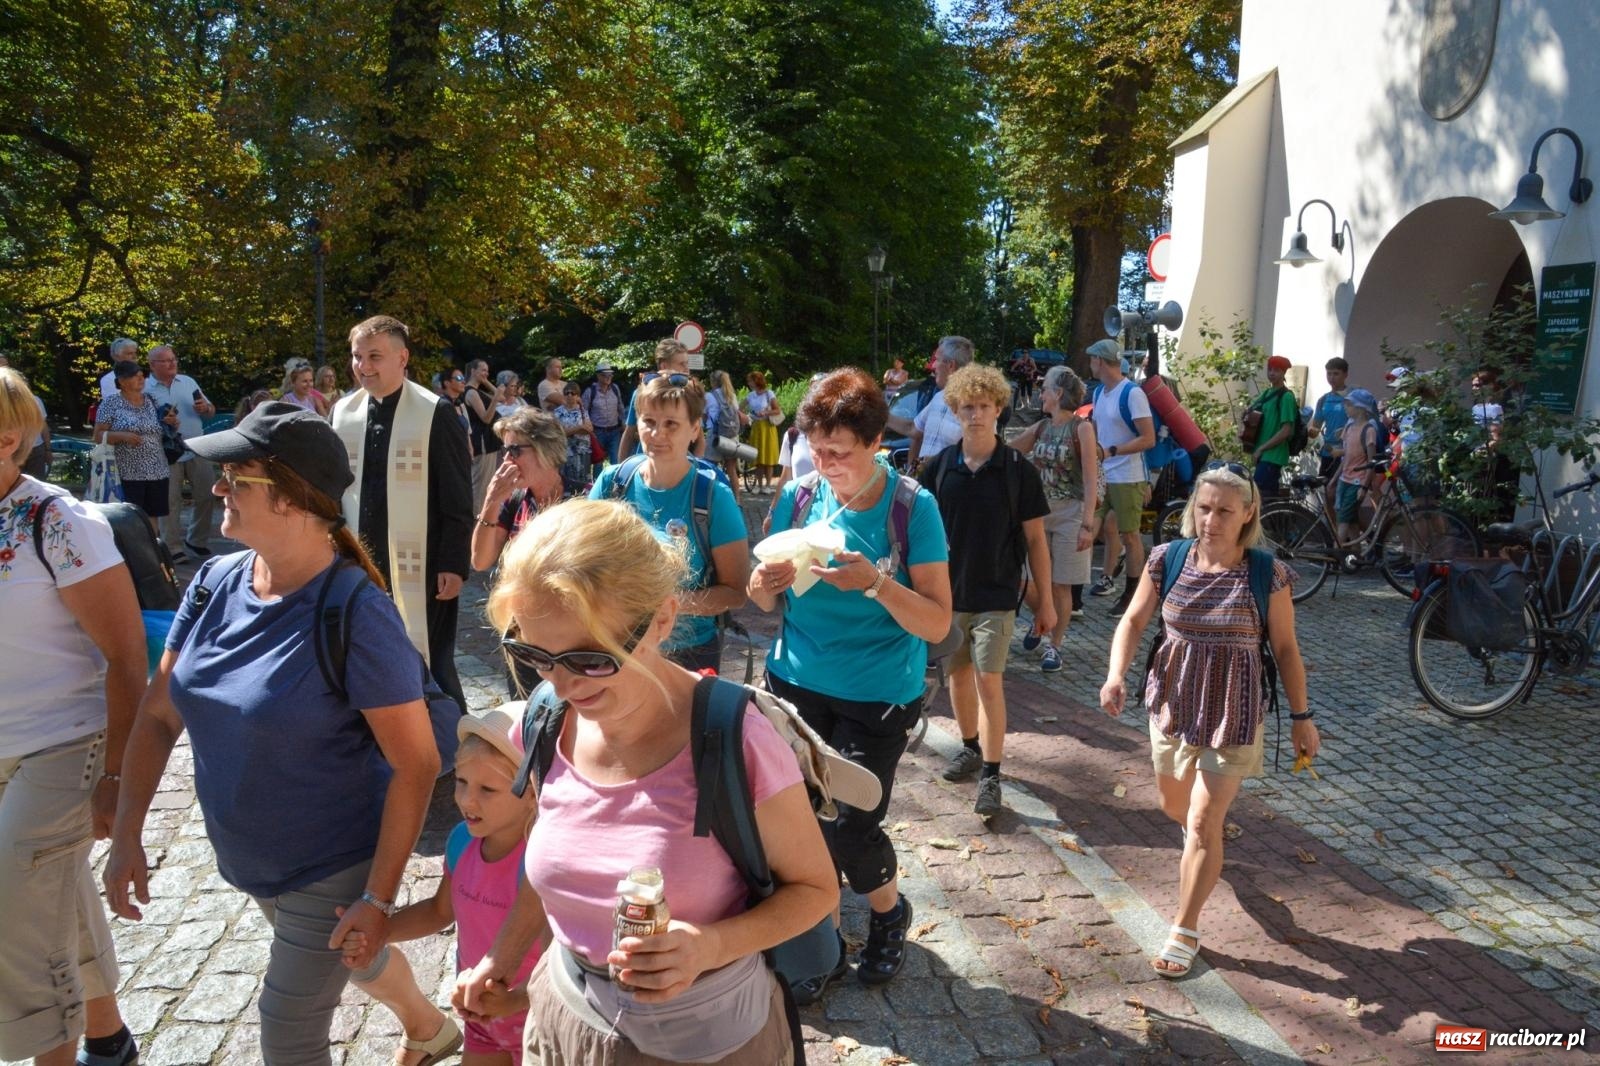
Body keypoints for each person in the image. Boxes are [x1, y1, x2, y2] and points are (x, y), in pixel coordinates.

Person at [103, 402, 449, 1066]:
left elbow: (418, 764)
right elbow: (156, 716)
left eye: (236, 475)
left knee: (288, 1035)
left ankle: (423, 1018)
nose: (218, 487)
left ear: (290, 497)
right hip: (251, 859)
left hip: (331, 862)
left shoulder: (356, 613)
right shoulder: (212, 582)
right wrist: (125, 833)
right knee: (351, 959)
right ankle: (428, 1026)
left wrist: (377, 898)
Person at [459, 499, 837, 1064]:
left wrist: (710, 945)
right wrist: (502, 957)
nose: (562, 685)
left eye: (590, 657)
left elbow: (817, 893)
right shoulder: (548, 719)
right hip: (565, 1021)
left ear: (662, 618)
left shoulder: (736, 740)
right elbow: (561, 863)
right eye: (536, 655)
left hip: (706, 1041)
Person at [749, 367, 951, 1002]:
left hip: (877, 692)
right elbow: (760, 596)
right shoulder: (800, 497)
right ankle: (824, 942)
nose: (824, 461)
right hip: (795, 680)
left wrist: (874, 582)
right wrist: (764, 585)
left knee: (852, 826)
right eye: (815, 447)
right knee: (796, 820)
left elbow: (939, 620)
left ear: (874, 444)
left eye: (839, 451)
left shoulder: (912, 507)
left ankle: (889, 913)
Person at [1099, 462, 1319, 980]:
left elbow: (1286, 650)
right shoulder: (1167, 559)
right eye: (1203, 507)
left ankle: (1184, 927)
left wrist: (1304, 716)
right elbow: (1132, 620)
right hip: (1173, 706)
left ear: (1247, 514)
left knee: (1202, 821)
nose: (1211, 519)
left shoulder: (1267, 574)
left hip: (1236, 712)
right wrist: (1115, 675)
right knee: (1174, 807)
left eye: (1224, 510)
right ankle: (1206, 848)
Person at [0, 368, 144, 1066]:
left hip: (63, 743)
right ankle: (108, 1038)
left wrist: (117, 776)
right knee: (50, 883)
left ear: (7, 439)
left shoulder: (55, 521)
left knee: (13, 903)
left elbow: (125, 656)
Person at [356, 707, 539, 1066]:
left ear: (533, 793)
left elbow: (564, 963)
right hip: (482, 1019)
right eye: (461, 782)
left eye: (487, 789)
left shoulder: (539, 867)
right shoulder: (460, 842)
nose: (467, 800)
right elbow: (440, 911)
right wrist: (378, 932)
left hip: (538, 1020)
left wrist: (516, 1000)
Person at [920, 365, 1052, 816]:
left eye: (984, 406)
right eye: (967, 407)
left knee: (988, 680)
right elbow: (918, 537)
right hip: (948, 597)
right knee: (956, 676)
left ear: (999, 408)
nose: (976, 415)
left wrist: (1047, 603)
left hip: (997, 595)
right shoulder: (938, 470)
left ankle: (992, 773)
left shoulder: (1018, 471)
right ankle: (971, 746)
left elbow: (1036, 541)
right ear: (955, 411)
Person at [331, 316, 474, 711]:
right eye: (358, 357)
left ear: (402, 357)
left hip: (424, 563)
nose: (364, 366)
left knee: (432, 658)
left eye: (375, 356)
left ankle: (452, 736)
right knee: (366, 649)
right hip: (361, 560)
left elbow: (458, 495)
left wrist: (453, 563)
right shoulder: (344, 412)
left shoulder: (435, 412)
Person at [590, 376, 748, 672]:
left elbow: (735, 593)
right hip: (618, 645)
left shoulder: (713, 497)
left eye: (671, 424)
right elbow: (586, 559)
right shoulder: (613, 483)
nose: (657, 433)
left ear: (694, 428)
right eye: (648, 421)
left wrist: (668, 602)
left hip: (688, 652)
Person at [471, 409, 568, 696]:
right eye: (505, 450)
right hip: (523, 631)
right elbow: (479, 560)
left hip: (568, 634)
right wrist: (491, 501)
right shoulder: (515, 501)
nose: (506, 461)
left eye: (515, 450)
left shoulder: (583, 496)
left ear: (545, 450)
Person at [1012, 365, 1099, 671]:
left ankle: (1055, 645)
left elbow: (1091, 480)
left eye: (1045, 387)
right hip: (1037, 513)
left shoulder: (1082, 429)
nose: (1041, 392)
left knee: (1061, 585)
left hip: (1070, 515)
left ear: (1059, 394)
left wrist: (1088, 525)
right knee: (1024, 578)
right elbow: (1008, 451)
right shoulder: (1041, 427)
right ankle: (1041, 619)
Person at [1086, 339, 1155, 615]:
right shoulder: (1099, 392)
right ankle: (1076, 592)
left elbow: (1148, 439)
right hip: (1104, 474)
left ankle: (1132, 593)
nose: (1090, 364)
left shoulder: (1132, 393)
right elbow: (1096, 430)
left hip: (1128, 475)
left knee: (1130, 535)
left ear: (1100, 361)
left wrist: (1112, 451)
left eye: (1092, 359)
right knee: (1090, 527)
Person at [145, 344, 219, 559]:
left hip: (196, 446)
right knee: (170, 500)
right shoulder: (145, 389)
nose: (172, 363)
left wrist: (205, 409)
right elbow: (140, 421)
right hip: (165, 451)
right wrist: (161, 421)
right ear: (152, 365)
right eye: (166, 360)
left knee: (207, 493)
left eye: (174, 359)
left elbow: (210, 410)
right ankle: (172, 547)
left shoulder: (188, 382)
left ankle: (196, 540)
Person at [93, 360, 171, 532]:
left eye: (142, 376)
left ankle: (153, 552)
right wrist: (122, 436)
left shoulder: (151, 400)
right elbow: (98, 436)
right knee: (132, 517)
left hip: (157, 469)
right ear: (121, 381)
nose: (141, 379)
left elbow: (163, 428)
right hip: (128, 472)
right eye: (135, 376)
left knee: (153, 515)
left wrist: (172, 423)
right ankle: (134, 554)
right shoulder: (111, 403)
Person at [905, 336, 973, 470]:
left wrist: (936, 463)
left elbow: (981, 458)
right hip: (925, 486)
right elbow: (913, 429)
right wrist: (880, 412)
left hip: (951, 489)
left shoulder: (977, 406)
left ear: (951, 365)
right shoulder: (939, 397)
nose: (933, 366)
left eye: (937, 360)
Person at [618, 339, 692, 460]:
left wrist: (696, 466)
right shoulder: (643, 393)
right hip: (644, 463)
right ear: (664, 366)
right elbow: (629, 433)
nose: (687, 369)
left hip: (677, 467)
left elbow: (699, 439)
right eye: (682, 364)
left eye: (687, 363)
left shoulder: (688, 395)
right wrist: (621, 469)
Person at [1242, 354, 1299, 499]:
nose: (1272, 373)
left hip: (1273, 455)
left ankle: (1272, 521)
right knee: (1266, 498)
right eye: (1270, 370)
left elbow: (1286, 430)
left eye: (1277, 370)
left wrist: (1261, 448)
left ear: (1284, 373)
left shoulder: (1286, 397)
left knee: (1261, 497)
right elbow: (1251, 412)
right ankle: (1275, 521)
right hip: (1263, 453)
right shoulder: (1267, 393)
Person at [1335, 388, 1383, 543]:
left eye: (1349, 404)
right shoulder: (1348, 428)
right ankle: (1356, 553)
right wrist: (1335, 478)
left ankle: (1336, 554)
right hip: (1344, 478)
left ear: (1360, 408)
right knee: (1350, 519)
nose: (1345, 407)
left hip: (1357, 480)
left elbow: (1371, 461)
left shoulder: (1369, 430)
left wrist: (1364, 486)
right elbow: (1347, 455)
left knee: (1343, 519)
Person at [463, 360, 502, 514]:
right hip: (482, 442)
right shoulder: (471, 392)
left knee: (487, 483)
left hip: (490, 443)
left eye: (487, 371)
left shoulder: (479, 390)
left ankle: (480, 516)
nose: (486, 373)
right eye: (482, 370)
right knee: (480, 484)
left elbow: (503, 398)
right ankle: (475, 519)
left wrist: (488, 383)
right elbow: (485, 417)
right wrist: (494, 398)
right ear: (472, 371)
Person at [1307, 357, 1351, 481]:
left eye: (1336, 374)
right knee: (1326, 490)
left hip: (1347, 452)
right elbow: (1315, 428)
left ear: (1345, 374)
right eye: (1329, 373)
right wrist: (1310, 430)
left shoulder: (1352, 397)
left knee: (1337, 492)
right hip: (1328, 452)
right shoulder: (1323, 400)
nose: (1331, 377)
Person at [703, 369, 747, 491]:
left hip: (715, 435)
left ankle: (711, 497)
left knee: (711, 468)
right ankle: (737, 500)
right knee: (732, 470)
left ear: (713, 382)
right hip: (731, 436)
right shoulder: (731, 395)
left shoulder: (709, 396)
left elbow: (704, 415)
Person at [744, 370, 782, 493]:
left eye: (750, 380)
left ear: (757, 381)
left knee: (768, 458)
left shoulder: (768, 393)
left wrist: (765, 412)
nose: (749, 383)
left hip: (768, 427)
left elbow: (777, 410)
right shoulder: (750, 395)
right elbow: (739, 408)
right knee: (758, 458)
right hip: (756, 427)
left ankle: (767, 486)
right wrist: (746, 416)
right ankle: (759, 486)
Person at [553, 383, 593, 495]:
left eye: (573, 393)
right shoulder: (558, 412)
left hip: (582, 452)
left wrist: (570, 430)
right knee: (567, 482)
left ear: (577, 396)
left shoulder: (582, 410)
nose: (569, 395)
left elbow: (589, 429)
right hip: (565, 453)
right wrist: (579, 428)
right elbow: (558, 433)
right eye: (567, 393)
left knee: (582, 482)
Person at [580, 362, 623, 464]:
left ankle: (615, 480)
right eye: (605, 375)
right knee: (598, 462)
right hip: (597, 432)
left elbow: (620, 407)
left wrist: (623, 422)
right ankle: (597, 480)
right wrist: (589, 429)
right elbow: (583, 411)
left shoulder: (615, 389)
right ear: (598, 376)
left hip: (614, 431)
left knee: (616, 460)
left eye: (610, 375)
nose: (608, 377)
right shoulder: (590, 391)